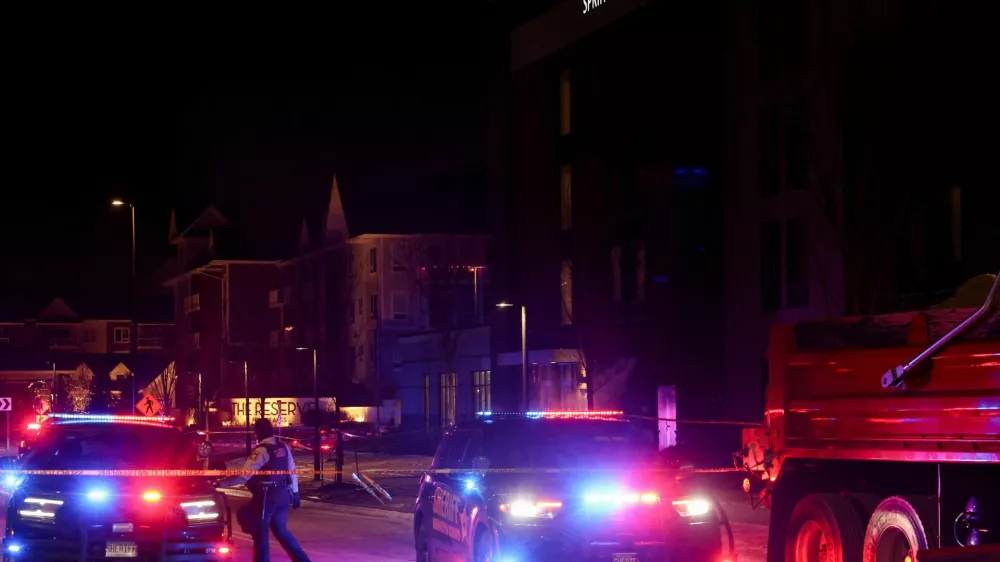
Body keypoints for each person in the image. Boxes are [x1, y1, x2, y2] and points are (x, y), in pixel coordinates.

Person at [218, 418, 311, 562]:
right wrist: (295, 493)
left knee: (261, 534)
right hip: (283, 495)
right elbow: (292, 471)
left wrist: (220, 483)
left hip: (267, 497)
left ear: (257, 433)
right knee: (281, 531)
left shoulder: (261, 451)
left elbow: (243, 477)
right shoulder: (283, 447)